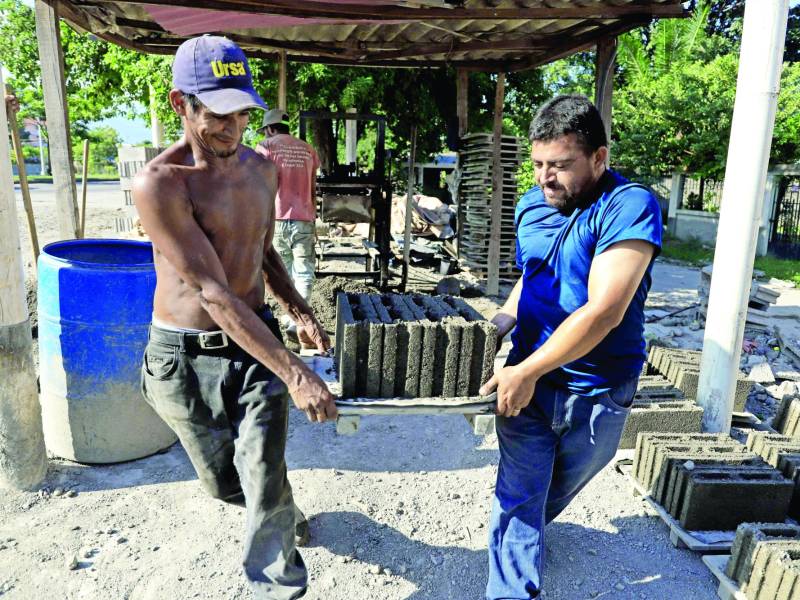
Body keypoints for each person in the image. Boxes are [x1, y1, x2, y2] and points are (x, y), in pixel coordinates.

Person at [133, 35, 337, 600]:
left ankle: (279, 583)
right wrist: (297, 373)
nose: (233, 128)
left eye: (243, 113)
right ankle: (276, 509)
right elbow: (210, 292)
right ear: (182, 105)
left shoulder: (261, 171)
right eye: (218, 115)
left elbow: (262, 249)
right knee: (226, 483)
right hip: (183, 358)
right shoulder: (161, 184)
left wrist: (298, 310)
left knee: (264, 473)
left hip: (255, 348)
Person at [479, 95, 663, 599]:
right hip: (530, 386)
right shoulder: (530, 207)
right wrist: (497, 324)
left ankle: (529, 534)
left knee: (551, 492)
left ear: (599, 158)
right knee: (519, 494)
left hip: (599, 390)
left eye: (560, 165)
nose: (545, 178)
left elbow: (605, 309)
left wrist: (529, 369)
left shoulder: (629, 207)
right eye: (538, 164)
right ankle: (513, 586)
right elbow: (532, 278)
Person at [256, 109, 320, 349]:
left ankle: (289, 317)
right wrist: (312, 215)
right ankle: (300, 320)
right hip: (304, 217)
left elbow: (257, 184)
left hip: (276, 218)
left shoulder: (265, 147)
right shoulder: (308, 149)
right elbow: (313, 186)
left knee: (282, 271)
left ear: (270, 129)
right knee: (303, 271)